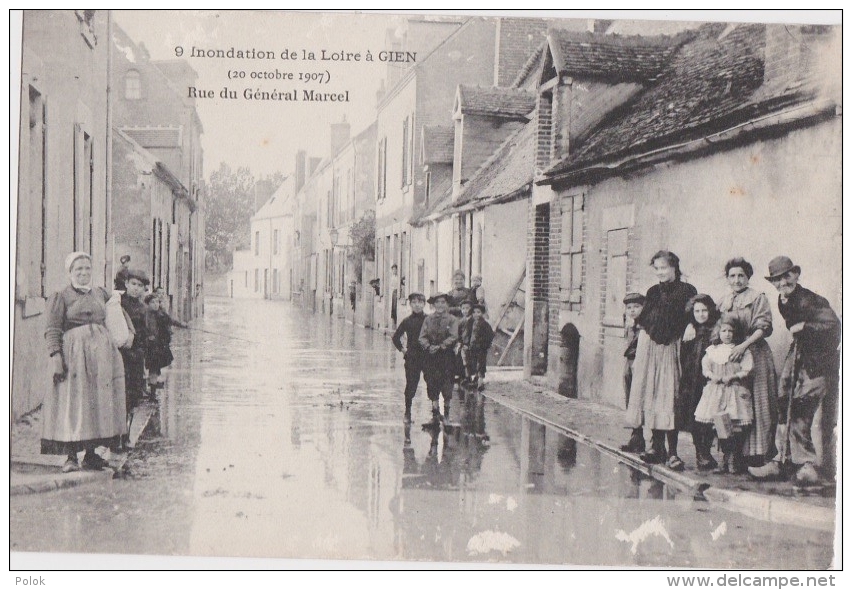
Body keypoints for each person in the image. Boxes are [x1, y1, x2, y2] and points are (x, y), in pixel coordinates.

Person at [749, 257, 840, 486]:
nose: (782, 283)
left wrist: (806, 327)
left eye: (786, 276)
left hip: (817, 363)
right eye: (777, 279)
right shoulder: (783, 300)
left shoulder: (811, 300)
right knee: (783, 402)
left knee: (799, 407)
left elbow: (835, 327)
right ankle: (783, 460)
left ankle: (806, 465)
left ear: (796, 275)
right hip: (798, 355)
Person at [42, 252, 126, 473]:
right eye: (78, 269)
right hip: (74, 357)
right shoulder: (60, 296)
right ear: (70, 272)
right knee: (73, 404)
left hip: (101, 359)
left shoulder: (100, 293)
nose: (83, 273)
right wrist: (55, 356)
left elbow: (117, 315)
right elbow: (52, 329)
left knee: (96, 404)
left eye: (87, 268)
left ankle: (91, 455)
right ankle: (70, 457)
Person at [625, 251, 697, 470]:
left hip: (672, 347)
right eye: (656, 268)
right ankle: (656, 447)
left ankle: (673, 453)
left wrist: (691, 324)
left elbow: (696, 312)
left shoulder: (687, 290)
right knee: (652, 393)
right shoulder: (653, 292)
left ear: (674, 267)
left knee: (669, 394)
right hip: (650, 346)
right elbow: (645, 317)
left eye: (663, 268)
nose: (660, 273)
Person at [713, 258, 778, 466]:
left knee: (757, 403)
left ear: (748, 277)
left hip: (754, 352)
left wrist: (743, 346)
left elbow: (763, 327)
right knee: (732, 403)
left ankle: (758, 456)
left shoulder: (757, 297)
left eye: (741, 275)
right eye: (732, 276)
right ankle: (734, 455)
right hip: (731, 357)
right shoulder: (724, 300)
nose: (737, 279)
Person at [693, 319, 754, 474]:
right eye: (724, 331)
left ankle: (732, 458)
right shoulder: (712, 351)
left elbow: (747, 368)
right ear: (718, 333)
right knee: (719, 426)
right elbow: (705, 368)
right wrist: (713, 376)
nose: (727, 334)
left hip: (734, 390)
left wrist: (734, 376)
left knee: (735, 427)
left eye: (730, 331)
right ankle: (723, 459)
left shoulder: (741, 351)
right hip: (716, 391)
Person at [678, 294, 721, 470]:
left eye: (705, 310)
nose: (701, 314)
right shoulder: (690, 330)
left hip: (709, 377)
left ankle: (707, 451)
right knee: (696, 414)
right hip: (692, 378)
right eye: (697, 311)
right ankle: (700, 453)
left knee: (710, 415)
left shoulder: (716, 330)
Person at [418, 293, 460, 427]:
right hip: (431, 357)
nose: (440, 305)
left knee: (447, 384)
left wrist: (441, 346)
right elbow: (422, 336)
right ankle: (435, 416)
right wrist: (428, 346)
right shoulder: (428, 320)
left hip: (447, 357)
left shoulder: (452, 320)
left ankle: (446, 416)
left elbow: (454, 336)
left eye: (443, 302)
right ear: (433, 305)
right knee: (432, 383)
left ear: (447, 304)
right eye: (437, 302)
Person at [392, 292, 429, 425]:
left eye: (420, 302)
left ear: (424, 304)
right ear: (410, 304)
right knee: (411, 384)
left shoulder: (429, 320)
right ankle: (407, 412)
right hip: (412, 357)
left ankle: (436, 414)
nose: (417, 305)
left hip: (427, 357)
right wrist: (403, 350)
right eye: (414, 302)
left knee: (432, 383)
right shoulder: (407, 321)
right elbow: (395, 337)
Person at [120, 269, 150, 412]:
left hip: (136, 356)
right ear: (126, 283)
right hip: (119, 354)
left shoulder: (144, 309)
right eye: (133, 283)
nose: (136, 288)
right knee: (119, 392)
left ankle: (127, 430)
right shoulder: (117, 303)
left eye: (139, 285)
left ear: (143, 289)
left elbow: (146, 334)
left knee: (133, 397)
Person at [620, 292, 646, 452]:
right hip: (629, 363)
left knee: (638, 399)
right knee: (630, 398)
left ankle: (639, 437)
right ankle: (636, 436)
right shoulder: (630, 325)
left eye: (636, 307)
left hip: (640, 363)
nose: (632, 310)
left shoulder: (644, 326)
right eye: (629, 307)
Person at [144, 294, 174, 397]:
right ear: (147, 304)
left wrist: (184, 325)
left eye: (157, 302)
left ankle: (153, 390)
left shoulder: (161, 314)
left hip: (158, 346)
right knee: (150, 367)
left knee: (155, 368)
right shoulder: (145, 315)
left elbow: (171, 321)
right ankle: (150, 389)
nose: (156, 304)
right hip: (149, 346)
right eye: (153, 302)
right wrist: (148, 337)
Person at [468, 304, 495, 390]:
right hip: (472, 348)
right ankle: (475, 379)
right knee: (474, 363)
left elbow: (490, 335)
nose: (476, 314)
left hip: (481, 348)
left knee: (481, 364)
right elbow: (468, 334)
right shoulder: (470, 323)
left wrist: (485, 344)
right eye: (474, 312)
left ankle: (480, 382)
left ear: (482, 313)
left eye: (478, 312)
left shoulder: (484, 324)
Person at [455, 300, 474, 385]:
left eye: (467, 308)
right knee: (464, 361)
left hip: (473, 344)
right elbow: (458, 333)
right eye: (463, 308)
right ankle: (466, 377)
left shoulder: (474, 320)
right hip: (464, 344)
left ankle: (475, 377)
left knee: (473, 361)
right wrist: (459, 342)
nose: (465, 310)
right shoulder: (460, 321)